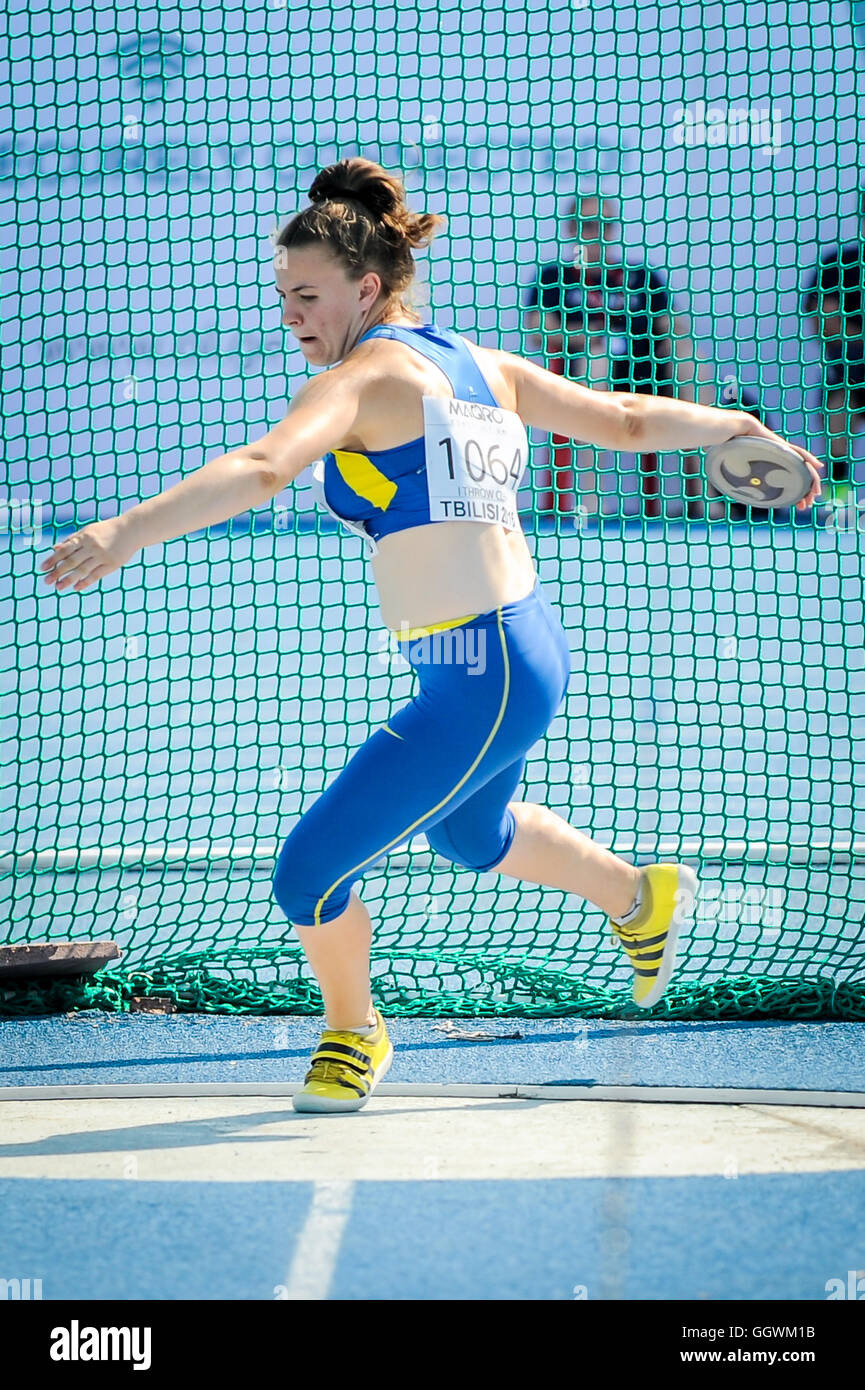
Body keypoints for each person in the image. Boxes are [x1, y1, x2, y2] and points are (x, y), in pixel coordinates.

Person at [40, 158, 823, 1114]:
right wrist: (728, 425)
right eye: (282, 295)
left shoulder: (363, 376)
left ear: (366, 288)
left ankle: (353, 1034)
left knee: (308, 874)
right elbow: (618, 418)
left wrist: (123, 530)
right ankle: (638, 896)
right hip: (507, 652)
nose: (290, 313)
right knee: (470, 833)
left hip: (480, 676)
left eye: (307, 295)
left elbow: (257, 469)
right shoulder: (473, 361)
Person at [523, 195, 724, 519]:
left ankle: (705, 495)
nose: (598, 234)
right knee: (597, 356)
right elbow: (539, 330)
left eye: (605, 225)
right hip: (585, 375)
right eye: (589, 226)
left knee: (689, 359)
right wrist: (590, 335)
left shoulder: (639, 276)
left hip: (647, 374)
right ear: (572, 229)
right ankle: (591, 503)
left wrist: (667, 340)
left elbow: (673, 326)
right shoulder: (555, 277)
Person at [802, 194, 865, 497]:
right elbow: (822, 320)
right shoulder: (840, 265)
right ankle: (839, 502)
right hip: (850, 376)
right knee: (836, 412)